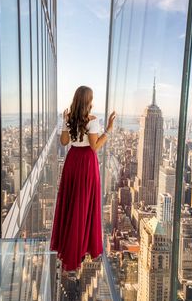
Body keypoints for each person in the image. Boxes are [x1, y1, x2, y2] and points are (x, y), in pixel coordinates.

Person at [50, 85, 116, 277]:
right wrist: (108, 130)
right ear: (88, 101)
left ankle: (70, 250)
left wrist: (64, 122)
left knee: (72, 205)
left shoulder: (68, 119)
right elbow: (94, 147)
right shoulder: (92, 122)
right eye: (92, 99)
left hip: (72, 161)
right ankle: (80, 250)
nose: (93, 102)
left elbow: (63, 142)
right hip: (87, 163)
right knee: (84, 205)